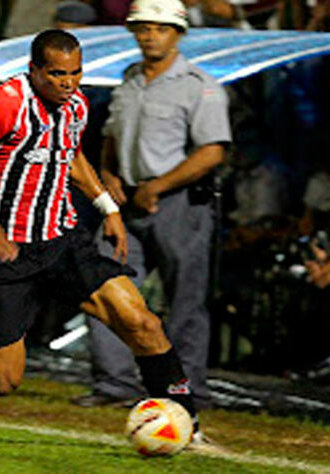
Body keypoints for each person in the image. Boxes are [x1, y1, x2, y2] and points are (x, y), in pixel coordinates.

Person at [0, 29, 218, 451]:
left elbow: (69, 154)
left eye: (75, 72)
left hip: (62, 241)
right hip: (3, 253)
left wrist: (108, 208)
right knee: (3, 380)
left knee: (142, 322)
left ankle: (187, 425)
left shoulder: (76, 105)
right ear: (33, 70)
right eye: (56, 74)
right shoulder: (4, 103)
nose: (68, 83)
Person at [81, 0, 231, 409]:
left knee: (185, 299)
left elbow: (213, 151)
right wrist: (108, 174)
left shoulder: (200, 85)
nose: (150, 35)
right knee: (104, 286)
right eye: (143, 28)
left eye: (160, 28)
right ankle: (114, 384)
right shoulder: (128, 79)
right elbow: (111, 134)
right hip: (126, 200)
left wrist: (159, 186)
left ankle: (185, 392)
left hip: (181, 203)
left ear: (178, 34)